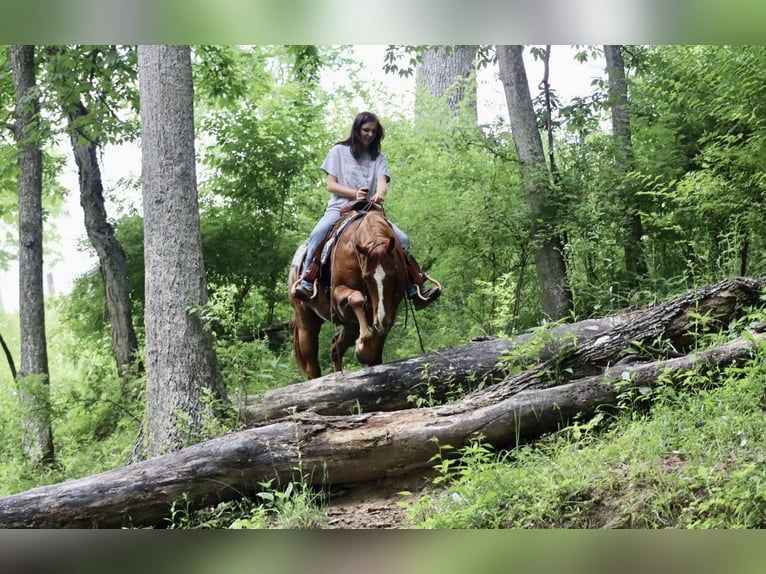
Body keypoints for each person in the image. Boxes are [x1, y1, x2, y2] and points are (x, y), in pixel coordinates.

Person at [291, 111, 441, 310]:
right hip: (340, 207)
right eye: (365, 130)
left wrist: (379, 194)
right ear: (357, 130)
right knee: (319, 232)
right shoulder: (338, 151)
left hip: (369, 210)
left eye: (373, 131)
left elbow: (381, 182)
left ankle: (415, 287)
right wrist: (353, 193)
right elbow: (331, 185)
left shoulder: (378, 157)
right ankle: (307, 281)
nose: (369, 134)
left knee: (402, 240)